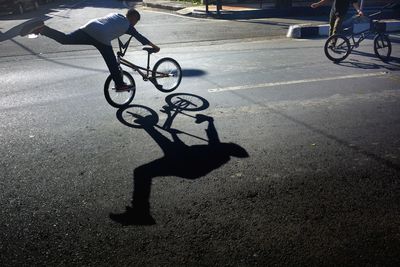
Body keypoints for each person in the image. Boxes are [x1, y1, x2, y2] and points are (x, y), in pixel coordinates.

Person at [20, 9, 160, 92]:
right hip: (101, 36)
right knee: (112, 63)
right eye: (136, 21)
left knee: (65, 39)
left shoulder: (116, 15)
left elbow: (111, 28)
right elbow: (141, 37)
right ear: (133, 18)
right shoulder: (128, 25)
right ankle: (120, 84)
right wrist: (154, 47)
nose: (135, 24)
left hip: (89, 27)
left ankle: (42, 29)